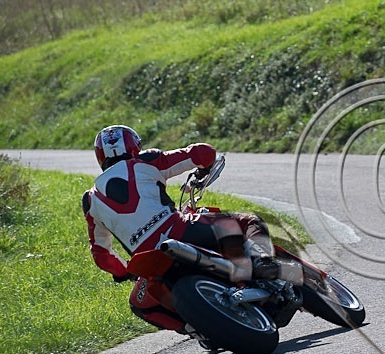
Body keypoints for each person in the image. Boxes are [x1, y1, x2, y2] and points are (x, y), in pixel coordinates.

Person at [82, 125, 282, 331]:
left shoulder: (90, 199)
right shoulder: (146, 160)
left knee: (140, 306)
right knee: (249, 221)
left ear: (100, 156)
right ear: (135, 146)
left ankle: (195, 330)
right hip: (181, 230)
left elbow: (101, 254)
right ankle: (262, 262)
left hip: (149, 262)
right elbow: (203, 152)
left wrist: (123, 272)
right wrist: (205, 168)